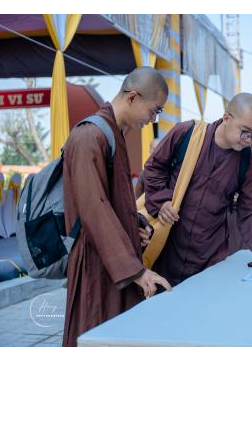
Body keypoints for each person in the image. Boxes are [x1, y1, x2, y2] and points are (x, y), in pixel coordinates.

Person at [62, 67, 172, 347]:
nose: (153, 119)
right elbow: (93, 209)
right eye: (154, 110)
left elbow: (113, 201)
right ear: (133, 97)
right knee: (96, 337)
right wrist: (135, 270)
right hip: (97, 263)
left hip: (115, 261)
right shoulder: (90, 135)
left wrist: (136, 224)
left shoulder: (114, 133)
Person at [143, 93, 252, 287]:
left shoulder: (248, 162)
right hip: (167, 244)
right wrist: (162, 201)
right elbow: (154, 168)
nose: (249, 140)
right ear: (226, 118)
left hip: (209, 254)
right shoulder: (188, 134)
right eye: (246, 132)